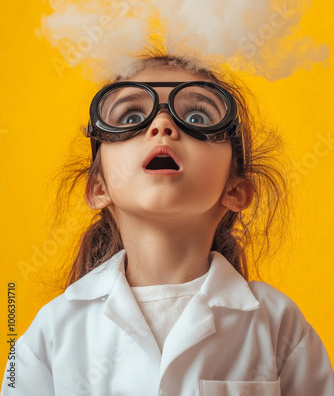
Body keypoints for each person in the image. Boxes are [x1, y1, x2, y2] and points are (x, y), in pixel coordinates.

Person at [1, 50, 333, 396]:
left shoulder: (277, 325)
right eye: (131, 118)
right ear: (99, 188)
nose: (162, 126)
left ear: (236, 191)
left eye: (198, 117)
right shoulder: (53, 330)